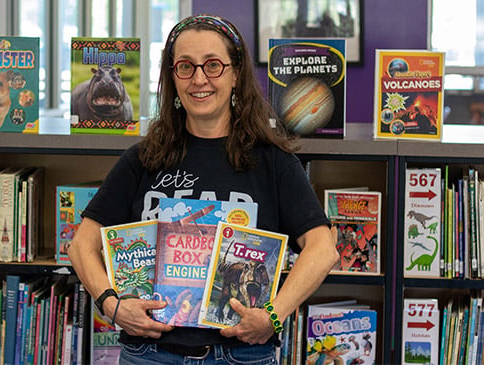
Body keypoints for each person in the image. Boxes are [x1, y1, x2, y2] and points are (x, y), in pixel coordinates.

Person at [68, 13, 339, 365]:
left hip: (240, 354)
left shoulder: (273, 162)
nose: (199, 79)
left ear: (236, 73)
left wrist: (274, 315)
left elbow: (323, 248)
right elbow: (80, 246)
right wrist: (111, 305)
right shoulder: (143, 159)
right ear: (173, 76)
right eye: (185, 66)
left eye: (213, 65)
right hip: (150, 354)